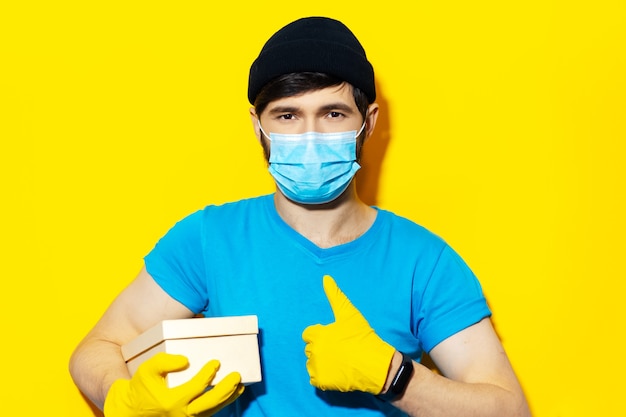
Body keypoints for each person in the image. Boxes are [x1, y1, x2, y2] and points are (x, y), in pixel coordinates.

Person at [69, 16, 531, 417]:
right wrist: (122, 399)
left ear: (367, 123)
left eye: (332, 113)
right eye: (287, 116)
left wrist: (396, 378)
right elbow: (96, 349)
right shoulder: (210, 240)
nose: (309, 136)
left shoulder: (423, 261)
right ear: (258, 127)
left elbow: (508, 408)